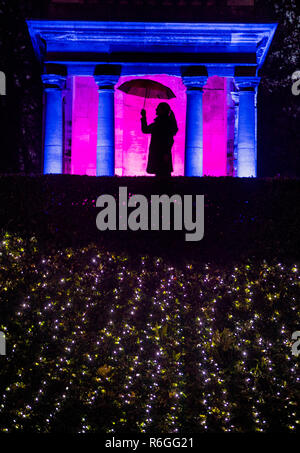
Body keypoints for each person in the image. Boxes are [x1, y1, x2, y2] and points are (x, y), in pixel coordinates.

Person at [141, 102, 178, 177]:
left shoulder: (159, 123)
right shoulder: (167, 123)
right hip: (164, 154)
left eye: (158, 108)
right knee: (165, 176)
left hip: (159, 154)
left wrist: (144, 117)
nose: (156, 109)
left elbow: (145, 130)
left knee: (161, 176)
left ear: (163, 110)